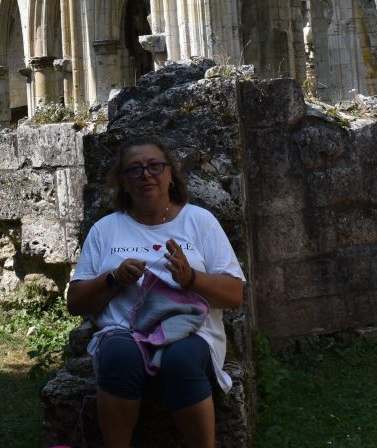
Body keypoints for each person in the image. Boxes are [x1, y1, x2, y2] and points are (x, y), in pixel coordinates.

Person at [67, 137, 245, 448]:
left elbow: (234, 294)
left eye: (154, 166)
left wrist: (191, 279)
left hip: (191, 331)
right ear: (123, 182)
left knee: (181, 360)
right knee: (118, 356)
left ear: (170, 174)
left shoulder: (199, 221)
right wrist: (113, 279)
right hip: (123, 330)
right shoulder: (105, 229)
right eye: (134, 169)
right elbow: (76, 302)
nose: (146, 175)